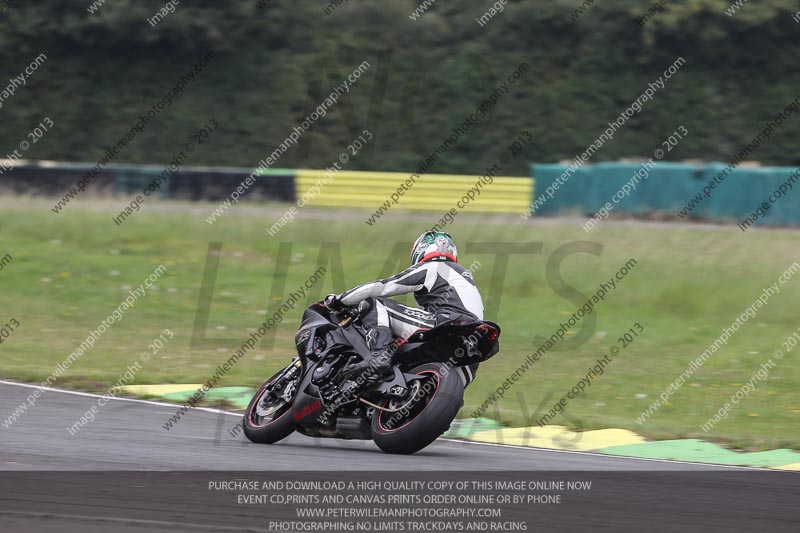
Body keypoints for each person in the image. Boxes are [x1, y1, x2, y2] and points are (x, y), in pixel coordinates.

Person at [324, 231, 484, 387]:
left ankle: (378, 354)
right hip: (471, 353)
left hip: (447, 324)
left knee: (374, 303)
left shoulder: (433, 267)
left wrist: (340, 300)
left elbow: (383, 287)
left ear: (421, 250)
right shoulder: (466, 279)